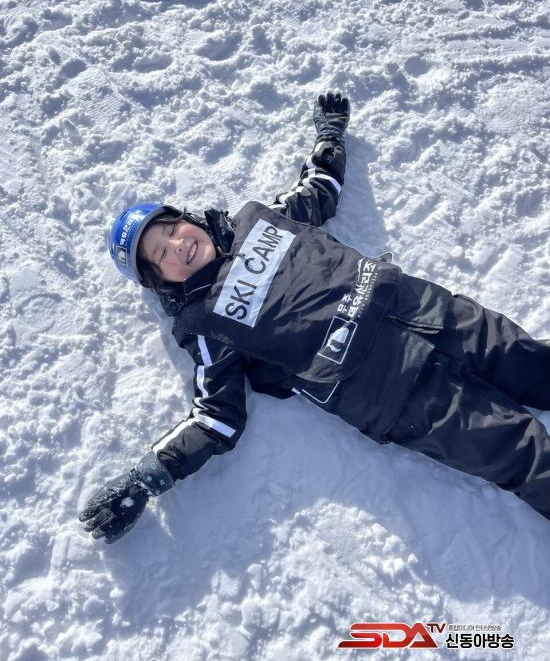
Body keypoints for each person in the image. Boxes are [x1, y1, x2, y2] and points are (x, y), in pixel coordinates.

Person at [78, 91, 550, 544]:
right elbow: (215, 416)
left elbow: (317, 193)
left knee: (527, 358)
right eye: (161, 255)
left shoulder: (257, 219)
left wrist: (330, 138)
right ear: (161, 281)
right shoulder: (203, 323)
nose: (177, 245)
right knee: (519, 451)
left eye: (171, 229)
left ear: (186, 219)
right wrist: (146, 478)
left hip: (429, 311)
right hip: (396, 393)